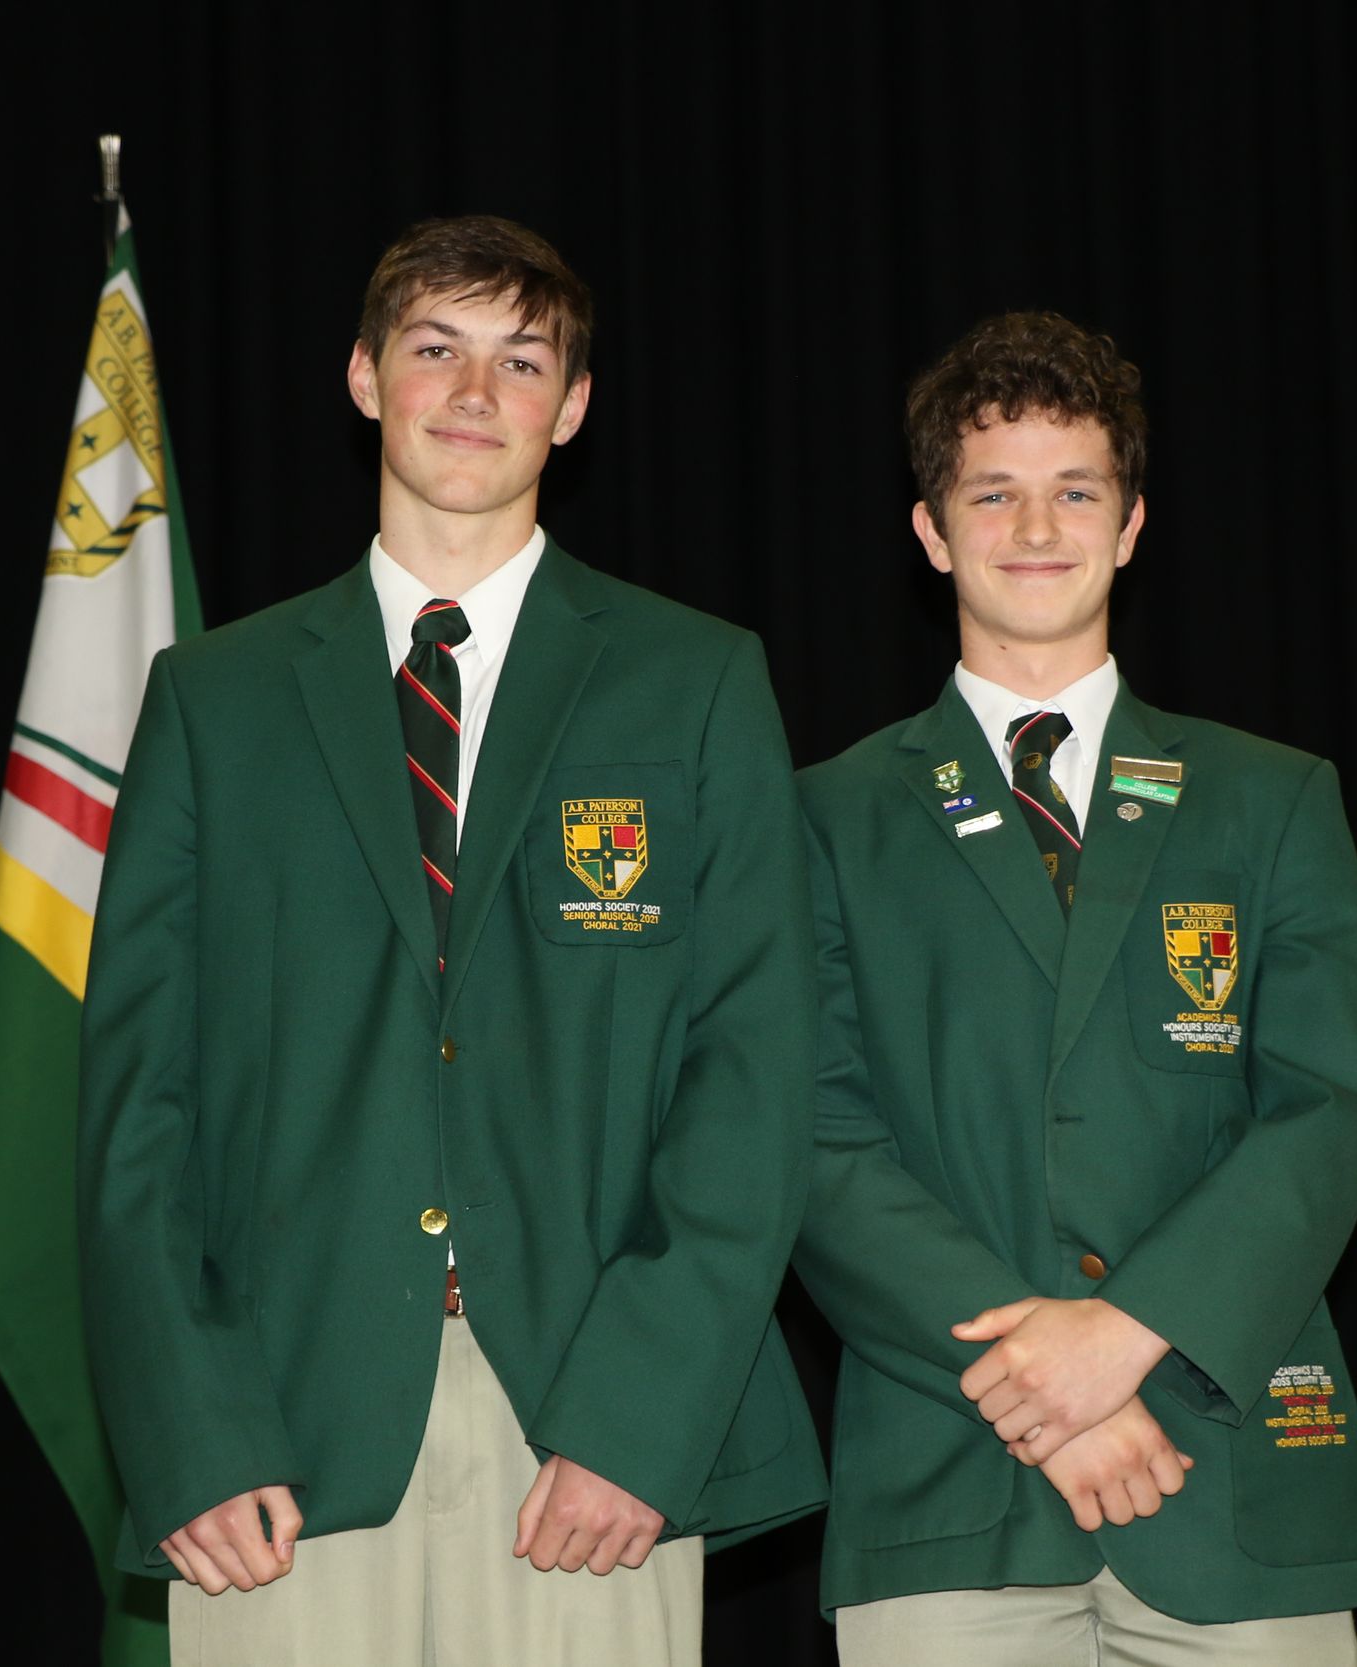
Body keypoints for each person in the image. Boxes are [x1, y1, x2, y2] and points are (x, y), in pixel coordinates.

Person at [79, 214, 823, 1665]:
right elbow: (135, 1106)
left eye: (522, 361)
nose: (477, 394)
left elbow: (754, 1075)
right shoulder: (213, 701)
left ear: (574, 406)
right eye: (437, 349)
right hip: (277, 1443)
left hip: (588, 1436)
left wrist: (643, 1416)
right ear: (366, 377)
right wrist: (191, 1430)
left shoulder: (695, 683)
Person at [792, 311, 1357, 1665]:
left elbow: (1325, 1112)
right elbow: (813, 1139)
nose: (1035, 527)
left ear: (1130, 526)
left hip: (1227, 1466)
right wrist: (1043, 1390)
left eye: (1076, 491)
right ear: (930, 532)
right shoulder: (822, 819)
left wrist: (1125, 1336)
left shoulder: (1270, 800)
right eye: (991, 494)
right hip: (952, 1476)